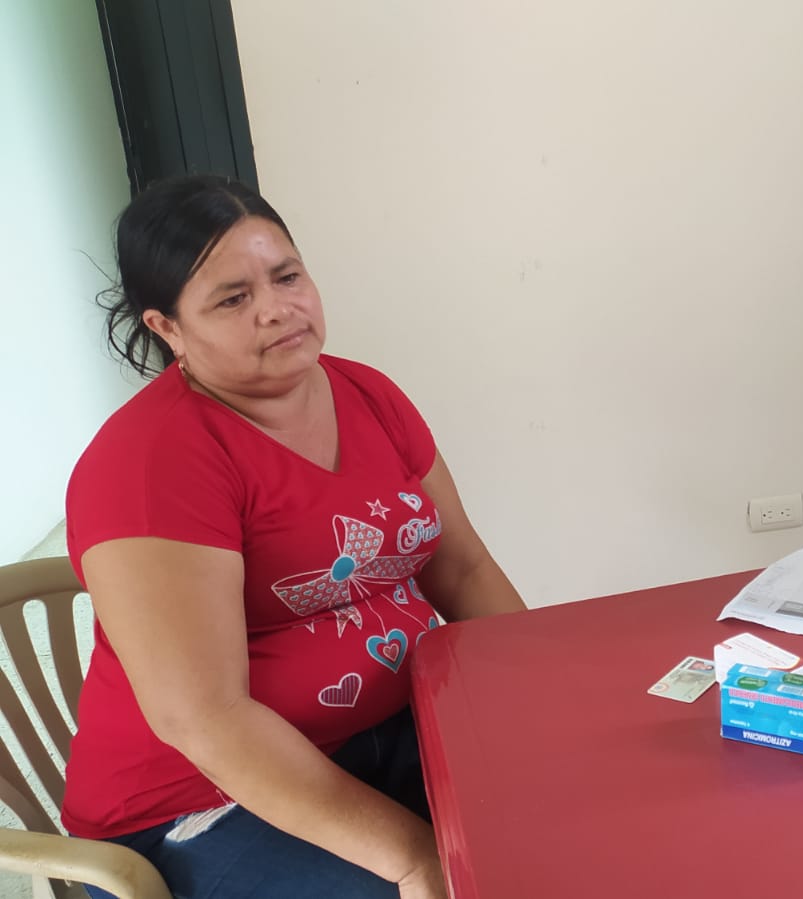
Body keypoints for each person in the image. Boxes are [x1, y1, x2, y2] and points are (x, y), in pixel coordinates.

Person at [65, 174, 526, 898]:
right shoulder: (150, 463)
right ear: (167, 327)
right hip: (200, 799)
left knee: (568, 806)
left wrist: (537, 698)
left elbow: (462, 568)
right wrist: (413, 858)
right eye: (232, 298)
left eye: (286, 276)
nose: (278, 309)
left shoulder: (369, 394)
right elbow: (205, 718)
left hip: (395, 728)